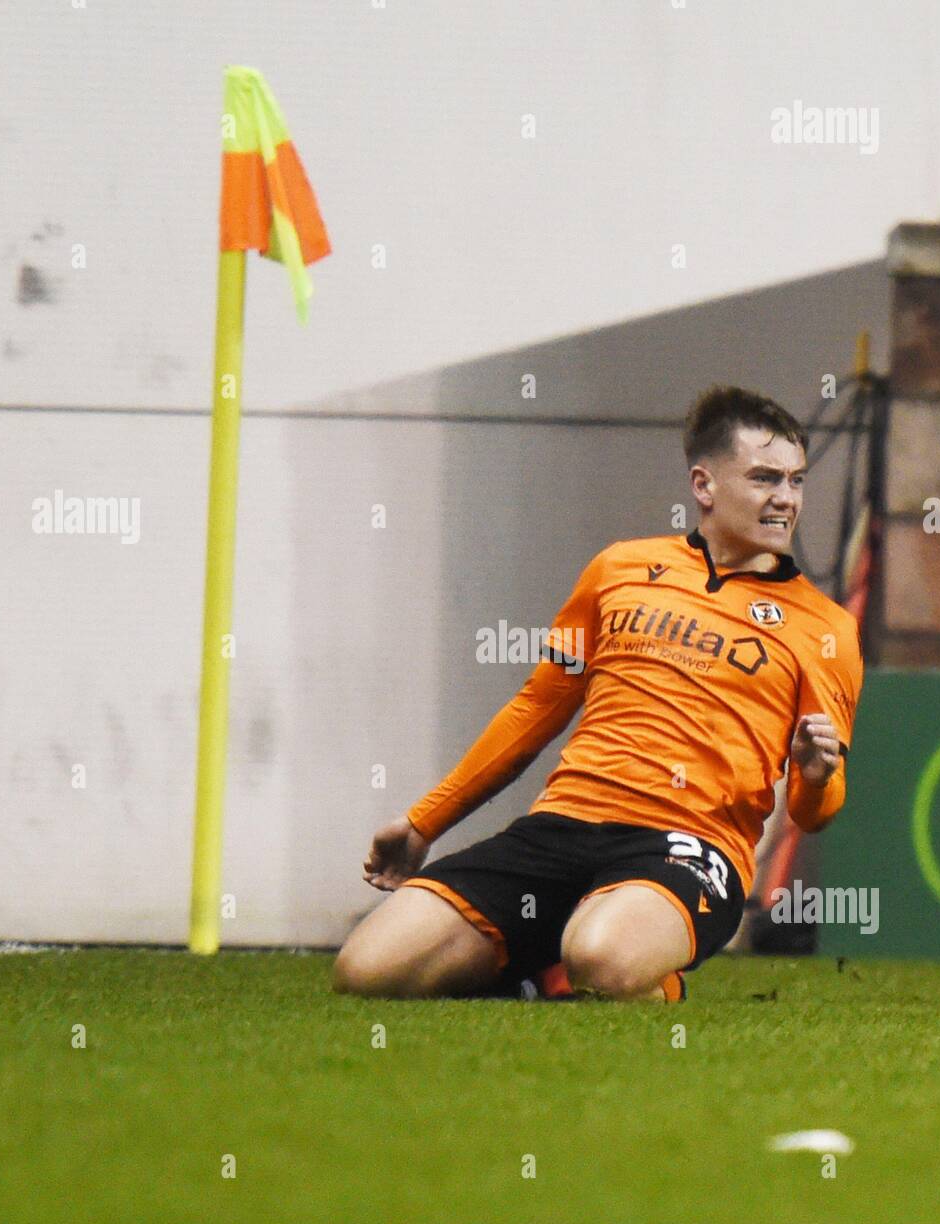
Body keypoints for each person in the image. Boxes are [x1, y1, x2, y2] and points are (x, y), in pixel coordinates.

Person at [333, 385, 863, 1001]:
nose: (786, 500)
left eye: (797, 481)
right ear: (704, 485)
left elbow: (811, 813)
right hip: (560, 826)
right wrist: (426, 822)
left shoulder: (825, 628)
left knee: (600, 956)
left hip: (687, 845)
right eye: (766, 479)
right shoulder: (619, 568)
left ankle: (611, 972)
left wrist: (819, 775)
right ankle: (542, 976)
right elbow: (536, 709)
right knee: (367, 972)